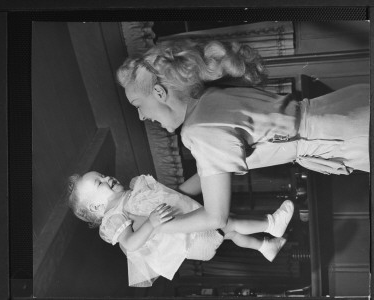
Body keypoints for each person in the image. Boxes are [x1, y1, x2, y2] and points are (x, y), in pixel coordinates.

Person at [116, 39, 369, 236]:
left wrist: (152, 227)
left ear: (159, 93)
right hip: (342, 109)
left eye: (138, 104)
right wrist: (177, 192)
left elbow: (216, 218)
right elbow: (213, 172)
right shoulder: (208, 100)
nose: (140, 116)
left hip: (344, 136)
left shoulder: (198, 131)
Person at [67, 171, 294, 287]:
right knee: (228, 224)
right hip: (191, 240)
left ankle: (265, 246)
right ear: (97, 207)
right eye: (99, 183)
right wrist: (152, 224)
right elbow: (130, 244)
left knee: (231, 231)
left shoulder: (134, 192)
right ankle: (271, 224)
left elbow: (173, 195)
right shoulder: (114, 218)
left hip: (192, 229)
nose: (107, 177)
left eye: (102, 174)